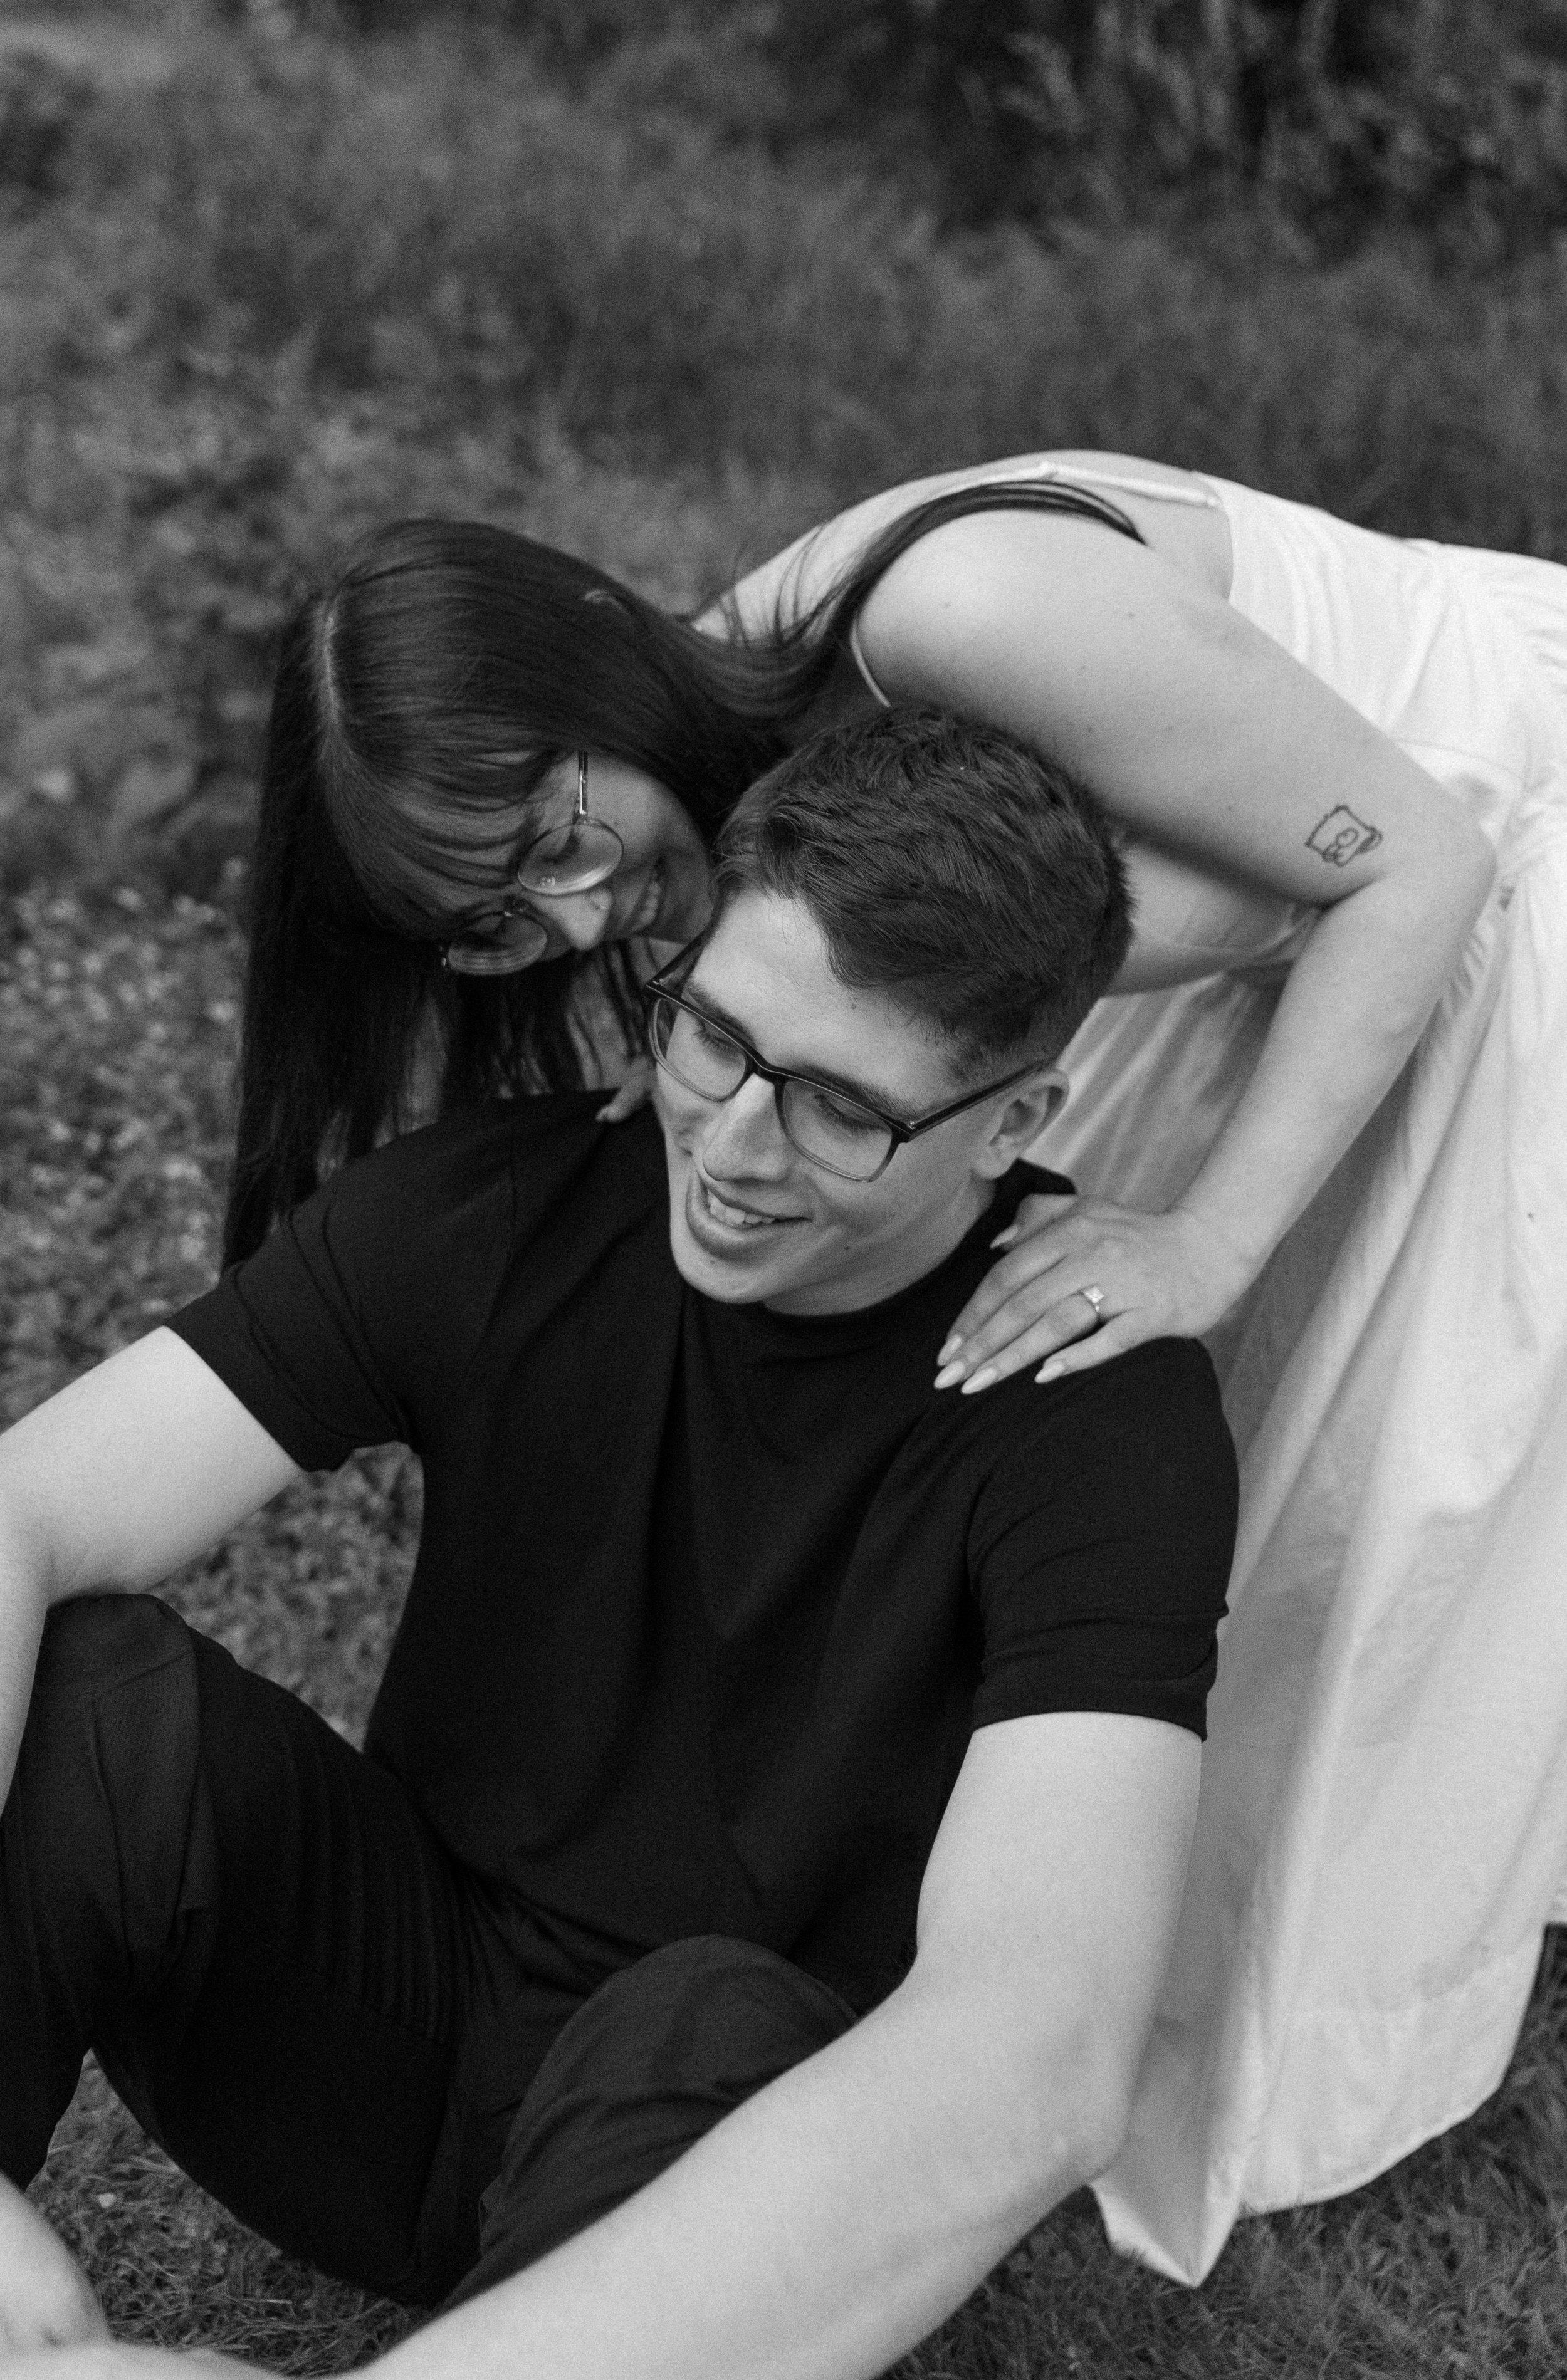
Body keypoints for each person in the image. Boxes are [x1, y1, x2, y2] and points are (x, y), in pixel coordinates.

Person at [226, 448, 1565, 2278]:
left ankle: (1260, 2007)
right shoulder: (714, 799)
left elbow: (1417, 860)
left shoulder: (964, 614)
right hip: (1292, 879)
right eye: (491, 925)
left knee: (1366, 1490)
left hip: (1485, 862)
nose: (572, 924)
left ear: (593, 660)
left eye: (554, 844)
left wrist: (1207, 1243)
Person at [0, 711, 1237, 2373]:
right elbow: (24, 1507)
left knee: (711, 2005)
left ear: (1012, 1123)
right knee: (89, 1686)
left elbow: (1040, 2049)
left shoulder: (1094, 1412)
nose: (731, 1146)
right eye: (714, 1036)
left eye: (841, 1110)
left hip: (717, 2176)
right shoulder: (503, 1212)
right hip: (383, 2028)